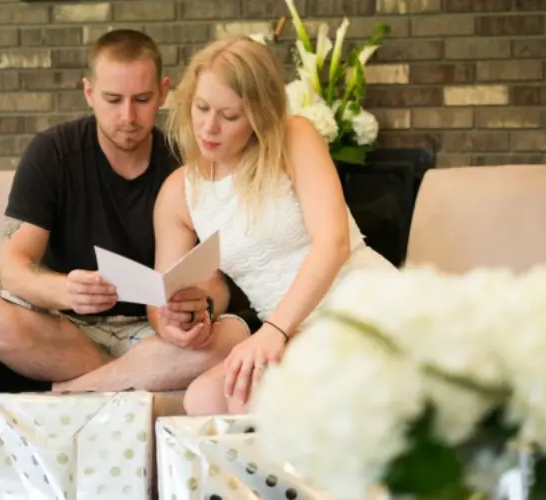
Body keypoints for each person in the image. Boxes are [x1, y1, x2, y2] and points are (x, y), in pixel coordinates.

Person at [0, 29, 250, 394]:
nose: (127, 116)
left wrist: (194, 311)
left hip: (151, 333)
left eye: (142, 99)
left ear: (163, 92)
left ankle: (68, 385)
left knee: (232, 335)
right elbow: (12, 266)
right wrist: (65, 290)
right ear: (89, 92)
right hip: (65, 329)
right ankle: (134, 375)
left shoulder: (186, 162)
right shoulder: (52, 153)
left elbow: (211, 279)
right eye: (112, 99)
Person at [157, 35, 396, 416]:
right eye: (201, 108)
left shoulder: (295, 136)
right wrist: (175, 319)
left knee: (249, 394)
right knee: (201, 399)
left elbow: (332, 243)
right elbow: (162, 292)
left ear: (258, 114)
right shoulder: (179, 192)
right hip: (291, 330)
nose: (209, 127)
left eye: (229, 115)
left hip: (359, 304)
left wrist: (275, 332)